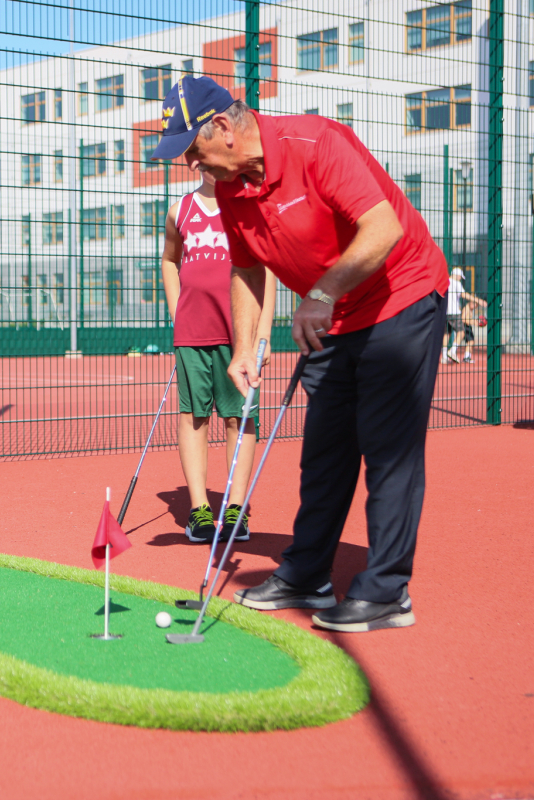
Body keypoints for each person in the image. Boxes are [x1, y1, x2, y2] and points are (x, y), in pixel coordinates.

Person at [151, 76, 448, 632]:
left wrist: (320, 293)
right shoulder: (234, 192)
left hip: (400, 297)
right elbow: (245, 268)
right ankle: (306, 575)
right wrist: (244, 347)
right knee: (327, 450)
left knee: (387, 448)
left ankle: (386, 592)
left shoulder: (316, 144)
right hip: (334, 314)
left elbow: (381, 228)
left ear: (223, 128)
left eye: (193, 149)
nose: (191, 163)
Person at [161, 169, 276, 543]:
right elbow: (169, 261)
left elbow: (267, 270)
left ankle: (235, 509)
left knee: (237, 419)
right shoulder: (180, 210)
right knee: (194, 417)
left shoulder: (248, 209)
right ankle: (199, 510)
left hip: (239, 335)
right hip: (193, 333)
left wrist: (263, 333)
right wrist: (179, 315)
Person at [442, 268, 486, 364]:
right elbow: (464, 294)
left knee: (447, 333)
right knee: (461, 333)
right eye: (460, 277)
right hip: (454, 312)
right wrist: (478, 300)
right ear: (457, 275)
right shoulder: (456, 283)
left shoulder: (446, 282)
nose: (460, 279)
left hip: (445, 312)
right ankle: (452, 351)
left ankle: (444, 356)